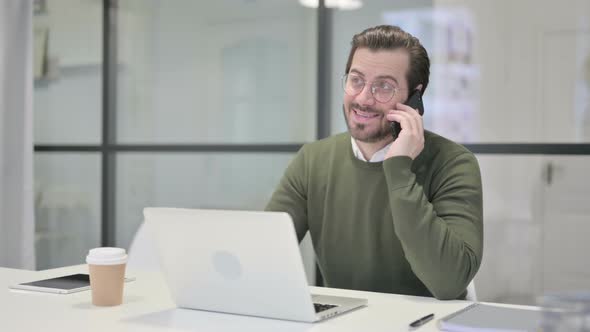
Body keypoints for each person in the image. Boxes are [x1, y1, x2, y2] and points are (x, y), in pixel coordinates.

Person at [265, 25, 483, 300]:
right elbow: (263, 255)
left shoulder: (454, 163)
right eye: (356, 80)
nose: (363, 98)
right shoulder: (313, 159)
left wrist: (399, 169)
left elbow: (449, 282)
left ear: (415, 97)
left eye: (384, 86)